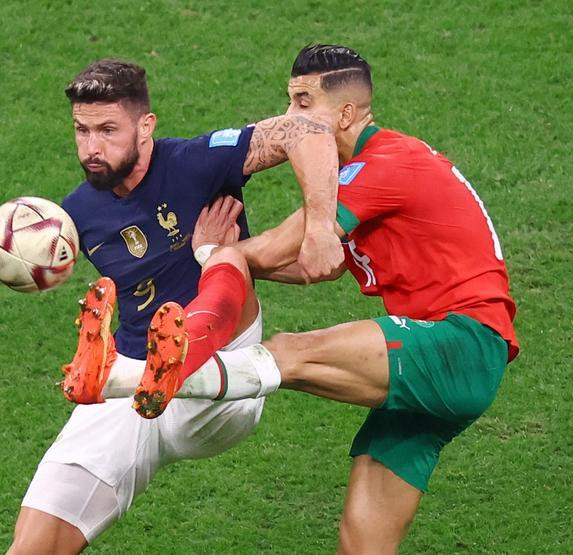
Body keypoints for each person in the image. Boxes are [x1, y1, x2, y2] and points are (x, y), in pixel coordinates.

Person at [98, 44, 520, 553]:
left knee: (292, 352)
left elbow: (279, 246)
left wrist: (213, 253)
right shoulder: (382, 167)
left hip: (458, 343)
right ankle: (145, 374)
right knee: (361, 543)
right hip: (447, 369)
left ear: (346, 113)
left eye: (302, 102)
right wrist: (231, 259)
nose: (289, 117)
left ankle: (128, 377)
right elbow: (309, 264)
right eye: (289, 101)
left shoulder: (385, 163)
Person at [8, 58, 348, 553]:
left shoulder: (194, 162)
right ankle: (129, 375)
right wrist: (29, 263)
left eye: (107, 130)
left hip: (223, 375)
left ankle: (179, 342)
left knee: (225, 256)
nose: (91, 148)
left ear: (146, 127)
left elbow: (305, 128)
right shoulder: (75, 214)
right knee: (32, 546)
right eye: (81, 131)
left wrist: (315, 228)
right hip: (131, 385)